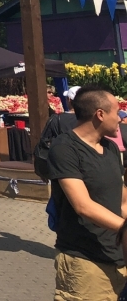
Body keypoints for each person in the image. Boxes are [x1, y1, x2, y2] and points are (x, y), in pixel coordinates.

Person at [48, 84, 127, 300]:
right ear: (100, 114)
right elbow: (83, 206)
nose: (121, 117)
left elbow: (122, 201)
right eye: (117, 111)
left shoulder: (110, 148)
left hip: (117, 258)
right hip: (85, 262)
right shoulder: (65, 148)